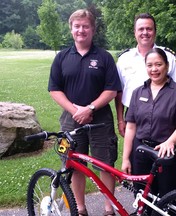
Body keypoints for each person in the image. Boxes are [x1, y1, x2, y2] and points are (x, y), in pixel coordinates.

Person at [48, 9, 121, 216]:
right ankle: (80, 208)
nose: (81, 30)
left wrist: (89, 108)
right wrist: (75, 111)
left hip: (100, 121)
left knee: (105, 164)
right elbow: (54, 89)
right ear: (71, 29)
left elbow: (112, 90)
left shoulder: (104, 57)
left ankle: (109, 209)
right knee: (75, 165)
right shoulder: (61, 57)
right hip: (71, 122)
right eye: (77, 26)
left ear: (93, 29)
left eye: (85, 26)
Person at [121, 48, 176, 214]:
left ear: (167, 66)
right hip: (141, 152)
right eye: (150, 65)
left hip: (166, 152)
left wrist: (170, 142)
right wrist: (126, 158)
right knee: (142, 195)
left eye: (158, 64)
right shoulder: (138, 92)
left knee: (170, 196)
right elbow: (131, 126)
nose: (154, 69)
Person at [116, 13, 176, 137]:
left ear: (155, 32)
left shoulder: (168, 56)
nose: (145, 32)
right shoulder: (124, 59)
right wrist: (121, 120)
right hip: (133, 116)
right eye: (141, 29)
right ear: (135, 32)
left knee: (164, 152)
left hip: (163, 116)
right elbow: (119, 92)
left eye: (149, 29)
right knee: (134, 153)